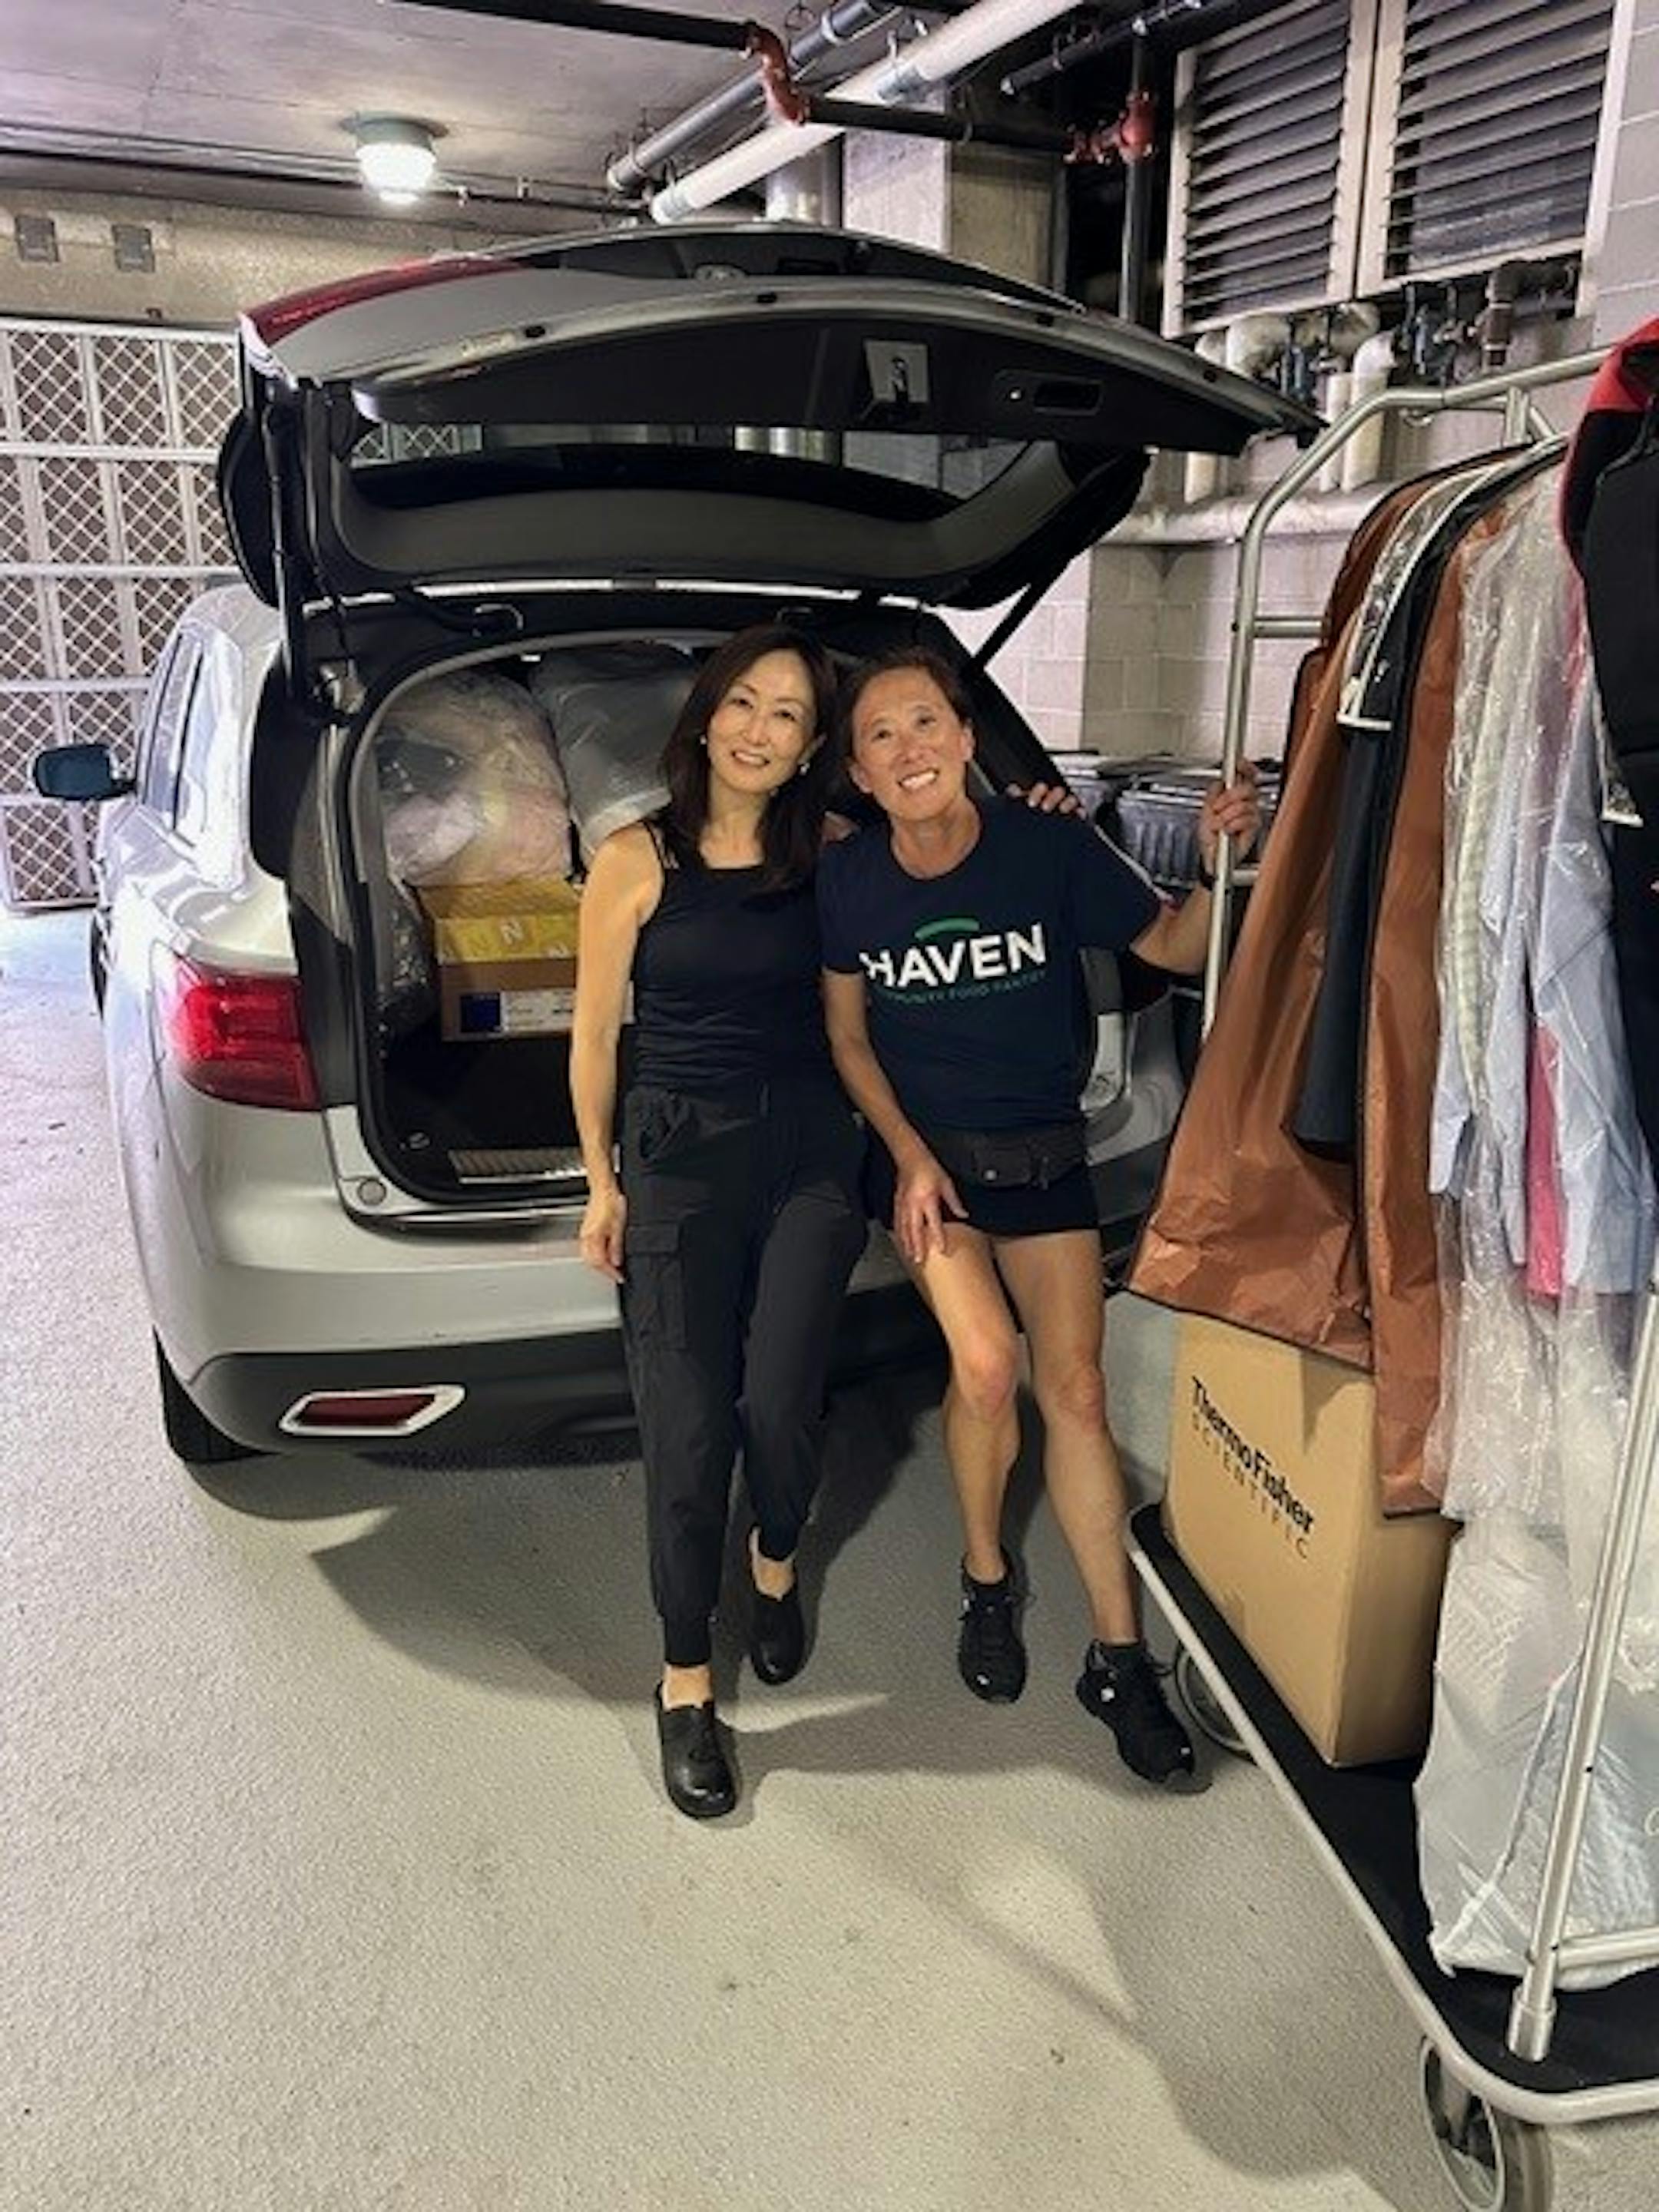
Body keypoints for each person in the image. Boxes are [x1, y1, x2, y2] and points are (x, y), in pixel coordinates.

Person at [818, 646, 1261, 1788]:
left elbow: (1166, 946)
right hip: (927, 1167)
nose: (909, 748)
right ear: (860, 774)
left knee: (1075, 1391)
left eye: (927, 723)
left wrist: (1220, 864)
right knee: (984, 1365)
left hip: (1040, 1158)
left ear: (967, 741)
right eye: (881, 734)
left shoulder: (1050, 846)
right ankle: (985, 1580)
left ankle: (1119, 1661)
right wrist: (908, 1157)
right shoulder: (850, 881)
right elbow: (849, 1039)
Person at [570, 626, 867, 1822]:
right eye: (743, 702)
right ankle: (686, 1681)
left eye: (788, 715)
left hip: (808, 1151)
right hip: (680, 1157)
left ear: (808, 751)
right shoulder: (633, 858)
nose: (759, 728)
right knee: (689, 1430)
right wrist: (600, 1179)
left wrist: (1042, 812)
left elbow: (948, 869)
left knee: (780, 1399)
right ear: (704, 719)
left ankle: (777, 1559)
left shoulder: (837, 855)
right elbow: (594, 1035)